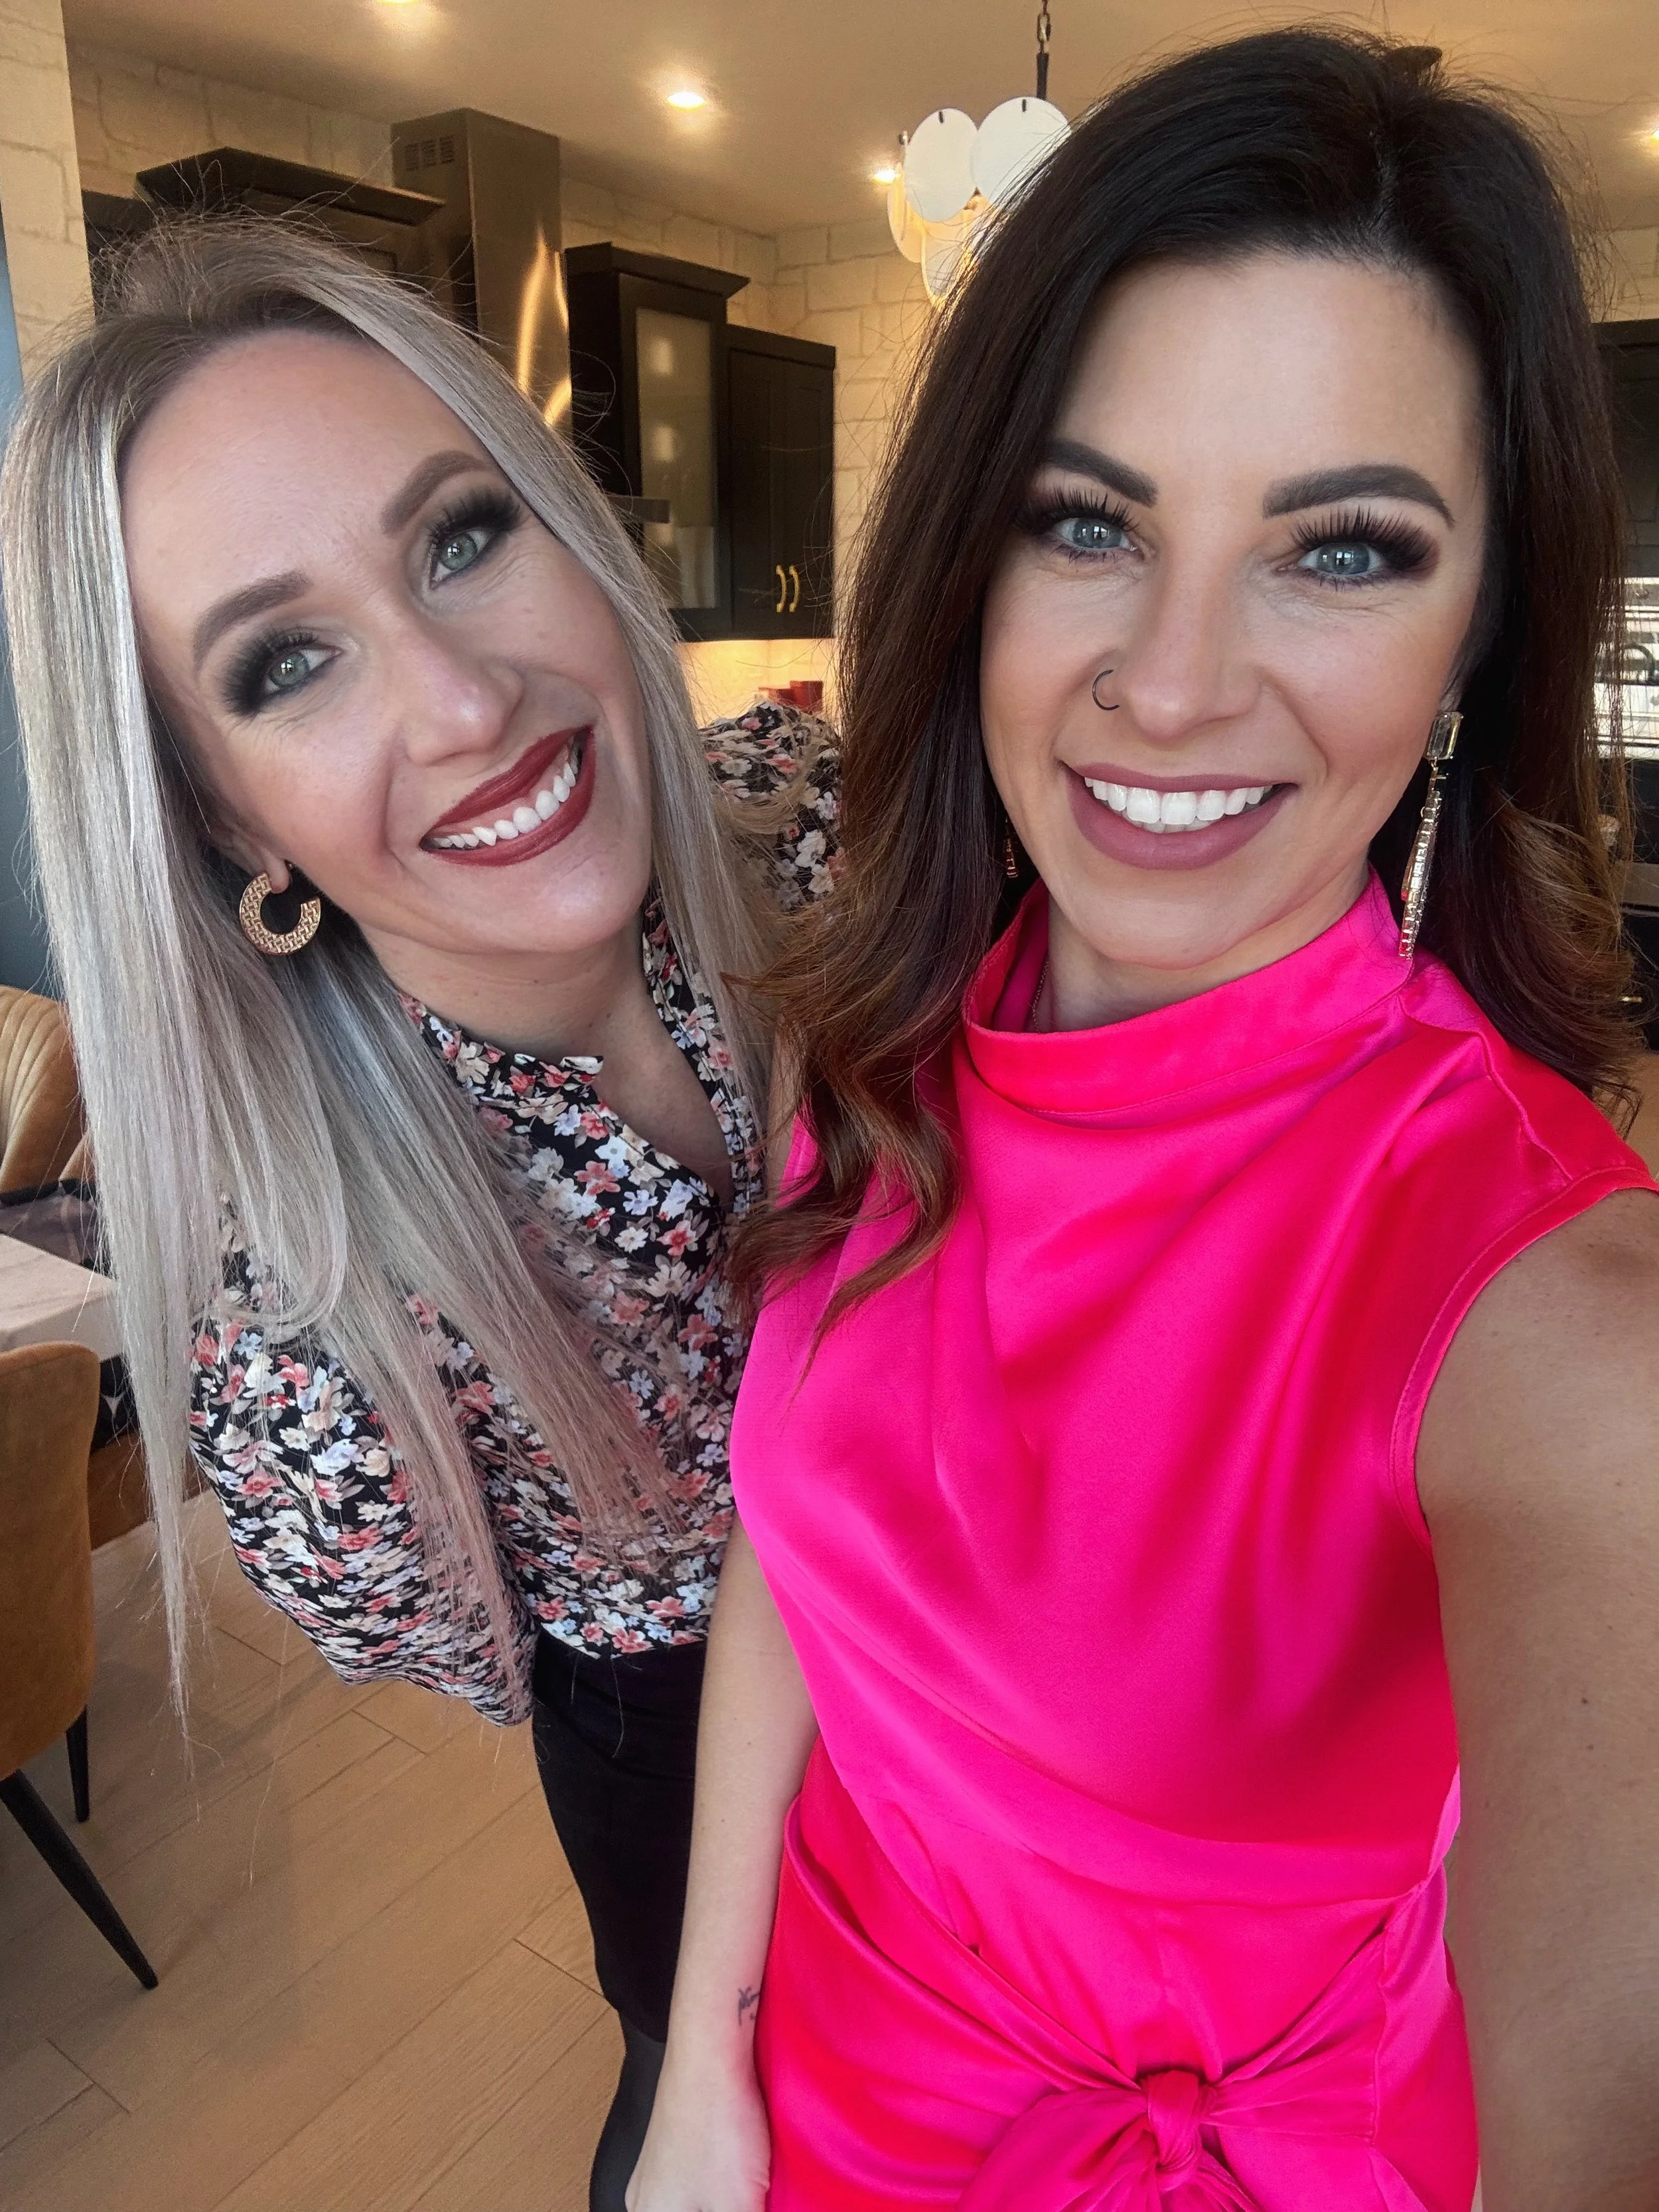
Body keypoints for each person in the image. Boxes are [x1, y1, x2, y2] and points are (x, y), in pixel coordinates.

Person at [630, 29, 1659, 2212]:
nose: (1173, 681)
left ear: (1481, 634)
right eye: (1087, 521)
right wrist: (701, 2075)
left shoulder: (1549, 1316)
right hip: (820, 2109)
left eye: (1344, 549)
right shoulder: (882, 1032)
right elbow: (801, 1563)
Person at [0, 219, 836, 2210]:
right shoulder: (304, 1324)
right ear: (215, 814)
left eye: (460, 534)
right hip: (670, 1731)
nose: (461, 701)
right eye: (286, 662)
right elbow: (475, 1650)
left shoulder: (813, 818)